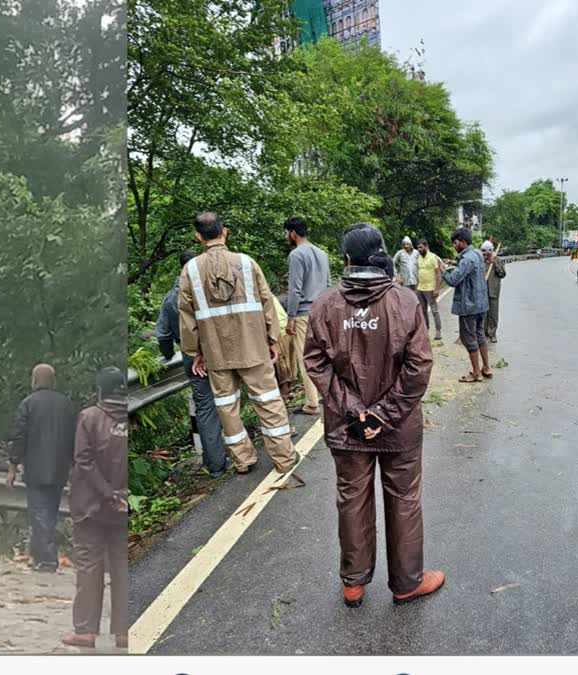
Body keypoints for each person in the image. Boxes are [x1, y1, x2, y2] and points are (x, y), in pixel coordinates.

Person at [303, 222, 443, 608]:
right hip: (398, 428)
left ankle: (353, 583)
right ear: (382, 253)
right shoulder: (404, 302)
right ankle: (407, 583)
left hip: (347, 429)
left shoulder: (325, 305)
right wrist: (383, 415)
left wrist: (355, 413)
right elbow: (419, 368)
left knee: (351, 499)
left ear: (346, 260)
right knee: (404, 499)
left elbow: (315, 363)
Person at [178, 212, 298, 475]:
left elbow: (187, 318)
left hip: (215, 352)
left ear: (198, 236)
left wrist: (194, 352)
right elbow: (267, 302)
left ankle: (243, 460)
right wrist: (272, 340)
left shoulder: (191, 271)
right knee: (268, 402)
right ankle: (284, 459)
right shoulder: (246, 263)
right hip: (253, 347)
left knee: (227, 408)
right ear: (225, 231)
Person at [62, 367, 129, 650]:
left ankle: (86, 631)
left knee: (89, 565)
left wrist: (107, 493)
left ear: (100, 390)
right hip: (123, 506)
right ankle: (125, 631)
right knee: (123, 566)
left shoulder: (89, 417)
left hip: (92, 505)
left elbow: (83, 460)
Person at [155, 250, 227, 476]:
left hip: (191, 356)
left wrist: (167, 354)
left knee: (205, 407)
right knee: (229, 398)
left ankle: (216, 466)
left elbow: (163, 334)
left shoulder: (171, 298)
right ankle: (242, 453)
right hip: (221, 351)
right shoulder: (211, 289)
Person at [7, 364, 76, 572]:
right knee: (50, 514)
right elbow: (74, 438)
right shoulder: (66, 405)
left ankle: (46, 560)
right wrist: (73, 467)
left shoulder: (28, 404)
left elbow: (19, 437)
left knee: (38, 514)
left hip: (36, 468)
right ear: (53, 381)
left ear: (34, 380)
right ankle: (40, 557)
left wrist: (12, 467)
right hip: (59, 469)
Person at [282, 216, 331, 415]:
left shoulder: (296, 255)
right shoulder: (322, 253)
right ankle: (325, 394)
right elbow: (328, 284)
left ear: (293, 233)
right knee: (323, 355)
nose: (286, 236)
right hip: (322, 310)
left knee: (305, 358)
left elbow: (295, 290)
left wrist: (290, 317)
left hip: (303, 313)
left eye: (286, 232)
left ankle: (311, 403)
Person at [442, 228, 491, 383]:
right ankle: (486, 368)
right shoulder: (476, 254)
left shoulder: (466, 259)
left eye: (455, 243)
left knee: (469, 339)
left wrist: (443, 270)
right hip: (481, 303)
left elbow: (453, 280)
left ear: (462, 242)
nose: (454, 246)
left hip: (469, 305)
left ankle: (476, 374)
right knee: (480, 335)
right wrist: (454, 263)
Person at [413, 240, 444, 341]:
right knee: (422, 311)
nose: (419, 249)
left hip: (430, 288)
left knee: (434, 310)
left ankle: (438, 331)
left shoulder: (433, 257)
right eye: (418, 248)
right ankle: (425, 330)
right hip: (420, 288)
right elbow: (419, 273)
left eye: (421, 247)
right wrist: (417, 287)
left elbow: (438, 273)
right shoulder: (419, 258)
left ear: (426, 246)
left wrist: (437, 288)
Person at [481, 241, 507, 343]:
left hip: (493, 291)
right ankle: (482, 334)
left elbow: (503, 274)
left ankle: (492, 334)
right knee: (483, 314)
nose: (486, 253)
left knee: (493, 313)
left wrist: (494, 263)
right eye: (483, 251)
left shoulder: (497, 260)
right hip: (482, 291)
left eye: (488, 251)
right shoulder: (480, 260)